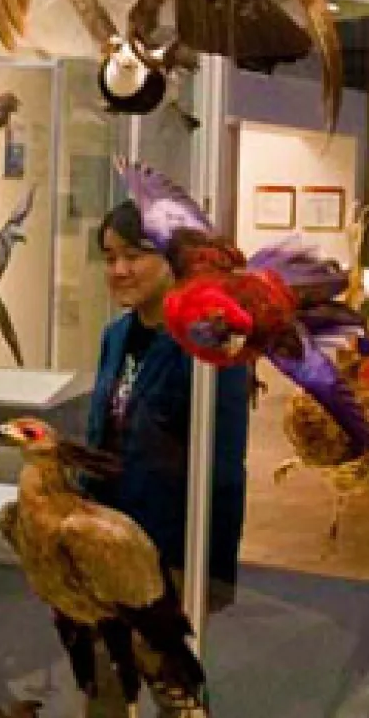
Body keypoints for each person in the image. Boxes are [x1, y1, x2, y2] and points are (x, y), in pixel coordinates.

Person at [82, 200, 251, 612]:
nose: (119, 270)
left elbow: (223, 465)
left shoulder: (207, 340)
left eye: (134, 256)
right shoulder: (115, 336)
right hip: (110, 547)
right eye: (110, 258)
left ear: (170, 258)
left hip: (174, 554)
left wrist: (211, 572)